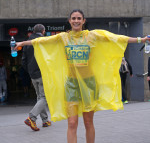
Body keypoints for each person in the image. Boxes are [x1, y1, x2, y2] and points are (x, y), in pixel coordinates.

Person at [15, 9, 150, 143]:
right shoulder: (63, 37)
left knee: (88, 122)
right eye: (73, 18)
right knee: (72, 123)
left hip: (89, 84)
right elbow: (42, 41)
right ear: (69, 21)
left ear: (83, 21)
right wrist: (22, 43)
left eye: (79, 18)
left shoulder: (92, 35)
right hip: (71, 85)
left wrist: (141, 39)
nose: (76, 21)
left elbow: (116, 38)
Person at [22, 24, 51, 131]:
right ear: (43, 31)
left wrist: (30, 71)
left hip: (32, 74)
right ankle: (32, 118)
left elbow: (23, 61)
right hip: (43, 73)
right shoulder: (43, 41)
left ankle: (45, 121)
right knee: (44, 98)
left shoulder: (27, 42)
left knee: (40, 97)